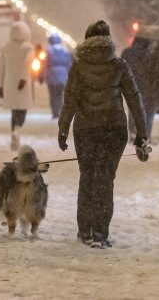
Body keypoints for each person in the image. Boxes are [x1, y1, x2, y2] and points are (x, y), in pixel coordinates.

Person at [57, 20, 148, 249]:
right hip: (113, 128)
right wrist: (141, 132)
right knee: (106, 179)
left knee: (87, 176)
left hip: (86, 129)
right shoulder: (119, 65)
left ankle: (84, 230)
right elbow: (134, 99)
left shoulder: (78, 67)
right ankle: (100, 233)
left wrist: (63, 128)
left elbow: (70, 101)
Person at [0, 21, 34, 150]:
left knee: (14, 111)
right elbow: (28, 63)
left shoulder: (6, 47)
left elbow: (0, 67)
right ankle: (17, 131)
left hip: (9, 83)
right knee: (22, 110)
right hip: (22, 84)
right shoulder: (28, 47)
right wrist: (24, 78)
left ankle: (14, 132)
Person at [121, 35, 152, 140]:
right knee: (143, 108)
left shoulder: (126, 52)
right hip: (142, 85)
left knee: (132, 108)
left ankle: (132, 131)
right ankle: (142, 131)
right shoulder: (145, 54)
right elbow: (149, 70)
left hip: (129, 85)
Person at [44, 34, 72, 119]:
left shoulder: (48, 50)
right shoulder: (65, 50)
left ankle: (55, 112)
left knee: (52, 95)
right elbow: (68, 63)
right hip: (63, 76)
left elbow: (44, 63)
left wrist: (42, 75)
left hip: (51, 75)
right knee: (60, 94)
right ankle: (60, 109)